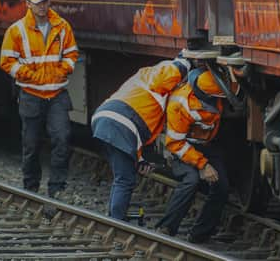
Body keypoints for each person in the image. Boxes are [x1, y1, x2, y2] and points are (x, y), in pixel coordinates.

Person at [0, 0, 78, 198]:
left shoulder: (62, 27)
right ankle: (31, 186)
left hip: (57, 94)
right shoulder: (16, 30)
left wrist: (63, 70)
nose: (43, 6)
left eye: (45, 2)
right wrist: (30, 76)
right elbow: (6, 62)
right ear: (28, 4)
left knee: (62, 139)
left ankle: (57, 188)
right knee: (31, 145)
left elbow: (72, 54)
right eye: (38, 3)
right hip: (31, 95)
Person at [91, 54, 192, 220]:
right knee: (125, 179)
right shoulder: (159, 78)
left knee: (123, 175)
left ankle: (114, 216)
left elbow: (135, 135)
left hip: (103, 119)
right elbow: (171, 72)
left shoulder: (143, 78)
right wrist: (186, 62)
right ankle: (116, 222)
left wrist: (140, 159)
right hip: (121, 123)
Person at [155, 67, 228, 243]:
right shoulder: (179, 104)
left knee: (222, 186)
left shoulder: (216, 90)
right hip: (182, 148)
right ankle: (166, 228)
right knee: (191, 179)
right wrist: (203, 165)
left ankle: (199, 235)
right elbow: (175, 143)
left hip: (206, 146)